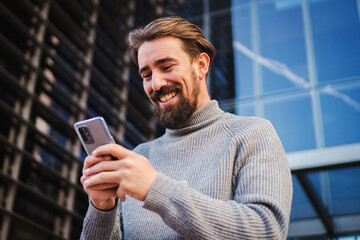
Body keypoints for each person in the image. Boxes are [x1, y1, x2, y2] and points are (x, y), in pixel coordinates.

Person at [80, 16, 293, 239]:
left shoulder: (251, 134)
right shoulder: (139, 157)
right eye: (147, 75)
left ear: (201, 65)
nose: (156, 84)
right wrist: (101, 208)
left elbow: (267, 231)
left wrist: (155, 188)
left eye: (167, 66)